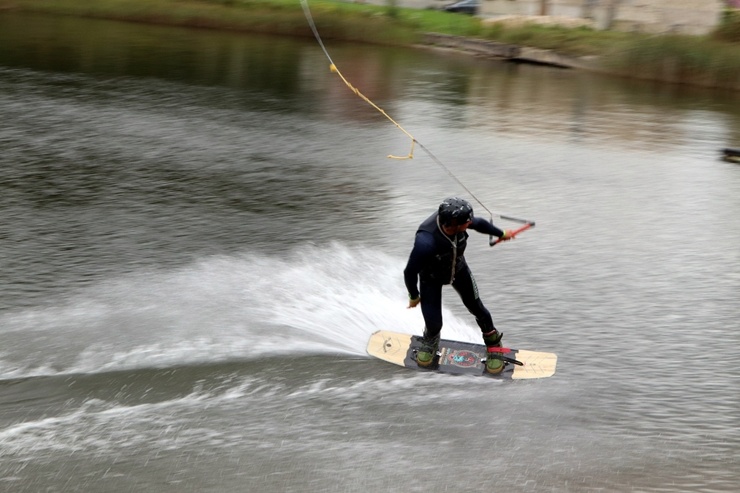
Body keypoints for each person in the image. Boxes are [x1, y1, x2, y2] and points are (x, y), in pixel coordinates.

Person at [403, 197, 513, 374]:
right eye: (467, 221)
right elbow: (409, 272)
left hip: (458, 270)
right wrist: (414, 295)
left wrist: (501, 233)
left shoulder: (458, 220)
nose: (470, 222)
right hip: (430, 278)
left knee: (478, 309)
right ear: (452, 224)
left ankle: (494, 345)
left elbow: (479, 224)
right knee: (434, 323)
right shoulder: (425, 242)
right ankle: (430, 341)